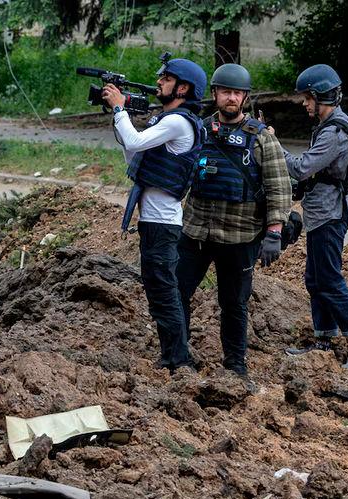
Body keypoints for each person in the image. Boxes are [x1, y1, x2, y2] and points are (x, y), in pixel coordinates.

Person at [176, 63, 292, 378]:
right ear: (215, 94)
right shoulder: (198, 130)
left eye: (237, 93)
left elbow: (280, 186)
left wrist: (274, 232)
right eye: (226, 92)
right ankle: (177, 354)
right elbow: (179, 172)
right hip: (197, 230)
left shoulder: (261, 138)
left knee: (234, 303)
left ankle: (235, 365)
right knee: (177, 290)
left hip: (240, 236)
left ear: (244, 98)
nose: (231, 98)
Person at [102, 57, 207, 372]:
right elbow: (134, 152)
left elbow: (134, 139)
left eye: (166, 78)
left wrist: (121, 109)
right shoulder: (169, 120)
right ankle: (171, 355)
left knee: (164, 290)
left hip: (163, 225)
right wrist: (119, 117)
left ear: (183, 88)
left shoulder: (178, 122)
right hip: (153, 222)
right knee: (158, 289)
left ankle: (179, 358)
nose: (159, 82)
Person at [281, 64, 348, 372]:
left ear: (322, 96)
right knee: (315, 279)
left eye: (308, 98)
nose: (304, 103)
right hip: (321, 211)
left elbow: (301, 167)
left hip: (329, 214)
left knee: (329, 279)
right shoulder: (329, 125)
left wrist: (271, 145)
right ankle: (324, 342)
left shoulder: (335, 132)